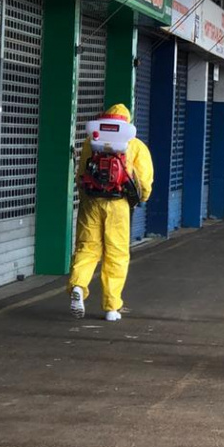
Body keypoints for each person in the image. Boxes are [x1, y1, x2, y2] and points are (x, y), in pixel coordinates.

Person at [69, 103, 153, 321]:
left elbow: (81, 174)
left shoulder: (91, 141)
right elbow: (144, 180)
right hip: (118, 205)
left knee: (87, 248)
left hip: (92, 202)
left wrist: (85, 197)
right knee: (116, 254)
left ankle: (78, 286)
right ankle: (111, 307)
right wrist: (141, 198)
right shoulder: (134, 144)